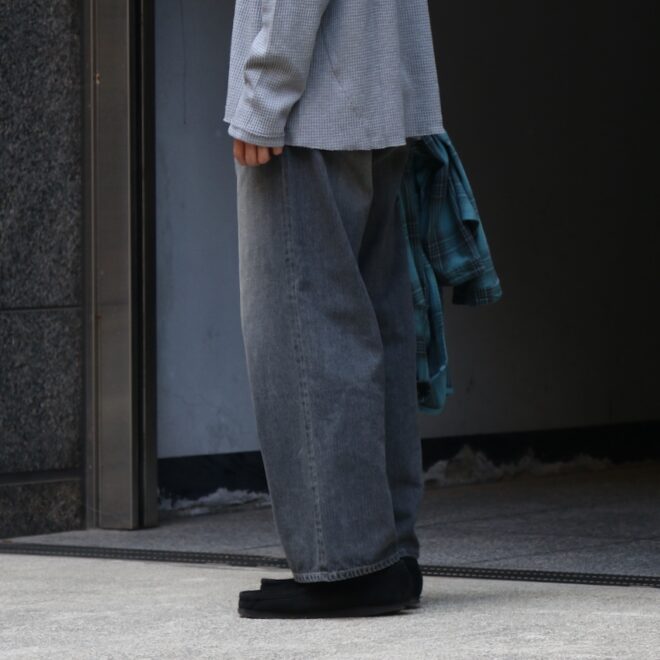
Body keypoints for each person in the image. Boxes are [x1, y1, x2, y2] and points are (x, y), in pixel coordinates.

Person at [223, 0, 445, 619]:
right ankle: (387, 554)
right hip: (380, 97)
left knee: (303, 332)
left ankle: (348, 562)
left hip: (310, 108)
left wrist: (263, 95)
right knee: (374, 328)